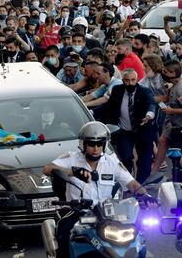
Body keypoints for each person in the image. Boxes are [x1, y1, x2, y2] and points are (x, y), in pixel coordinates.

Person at [43, 121, 157, 258]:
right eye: (91, 144)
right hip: (78, 212)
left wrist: (145, 195)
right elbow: (47, 168)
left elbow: (132, 184)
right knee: (64, 232)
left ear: (104, 145)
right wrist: (72, 172)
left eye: (99, 144)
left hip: (107, 214)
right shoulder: (71, 158)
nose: (95, 148)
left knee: (136, 237)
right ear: (83, 144)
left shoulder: (112, 162)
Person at [98, 69, 156, 183]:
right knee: (125, 158)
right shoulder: (117, 90)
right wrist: (92, 112)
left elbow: (151, 104)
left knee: (145, 162)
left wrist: (149, 115)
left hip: (143, 130)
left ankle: (140, 185)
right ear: (122, 81)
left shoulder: (145, 91)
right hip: (125, 131)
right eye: (127, 81)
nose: (130, 83)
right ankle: (127, 183)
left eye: (133, 80)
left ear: (137, 79)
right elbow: (108, 106)